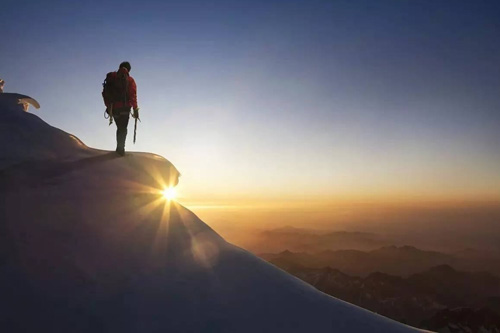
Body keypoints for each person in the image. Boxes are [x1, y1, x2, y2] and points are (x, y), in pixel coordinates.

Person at [102, 61, 139, 156]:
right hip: (125, 108)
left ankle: (119, 148)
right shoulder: (130, 80)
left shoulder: (111, 78)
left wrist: (109, 107)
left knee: (120, 128)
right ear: (129, 70)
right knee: (123, 129)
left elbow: (104, 94)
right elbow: (133, 95)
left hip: (113, 109)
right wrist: (135, 109)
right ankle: (120, 150)